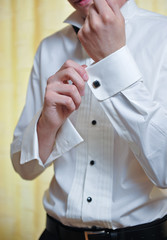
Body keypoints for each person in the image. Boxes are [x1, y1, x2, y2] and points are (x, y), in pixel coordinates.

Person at [10, 0, 167, 239]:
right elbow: (24, 168)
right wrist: (47, 125)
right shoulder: (49, 47)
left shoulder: (163, 36)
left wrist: (113, 61)